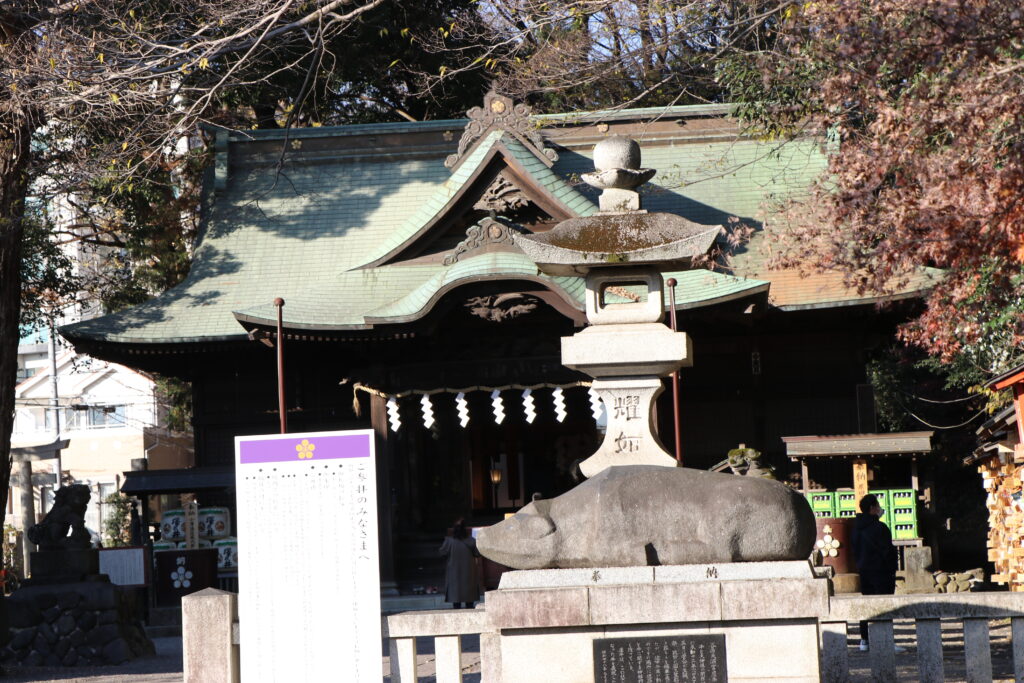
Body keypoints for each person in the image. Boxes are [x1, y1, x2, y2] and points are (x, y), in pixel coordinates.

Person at [852, 493, 901, 652]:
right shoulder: (880, 528)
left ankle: (864, 640)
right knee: (884, 605)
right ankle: (886, 640)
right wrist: (892, 566)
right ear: (872, 508)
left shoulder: (856, 529)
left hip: (864, 571)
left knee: (867, 604)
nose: (880, 509)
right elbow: (887, 551)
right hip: (881, 572)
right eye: (878, 505)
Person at [439, 518, 480, 609]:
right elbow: (477, 553)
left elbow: (442, 552)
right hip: (468, 573)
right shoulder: (472, 540)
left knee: (456, 598)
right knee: (469, 598)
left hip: (454, 573)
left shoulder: (449, 541)